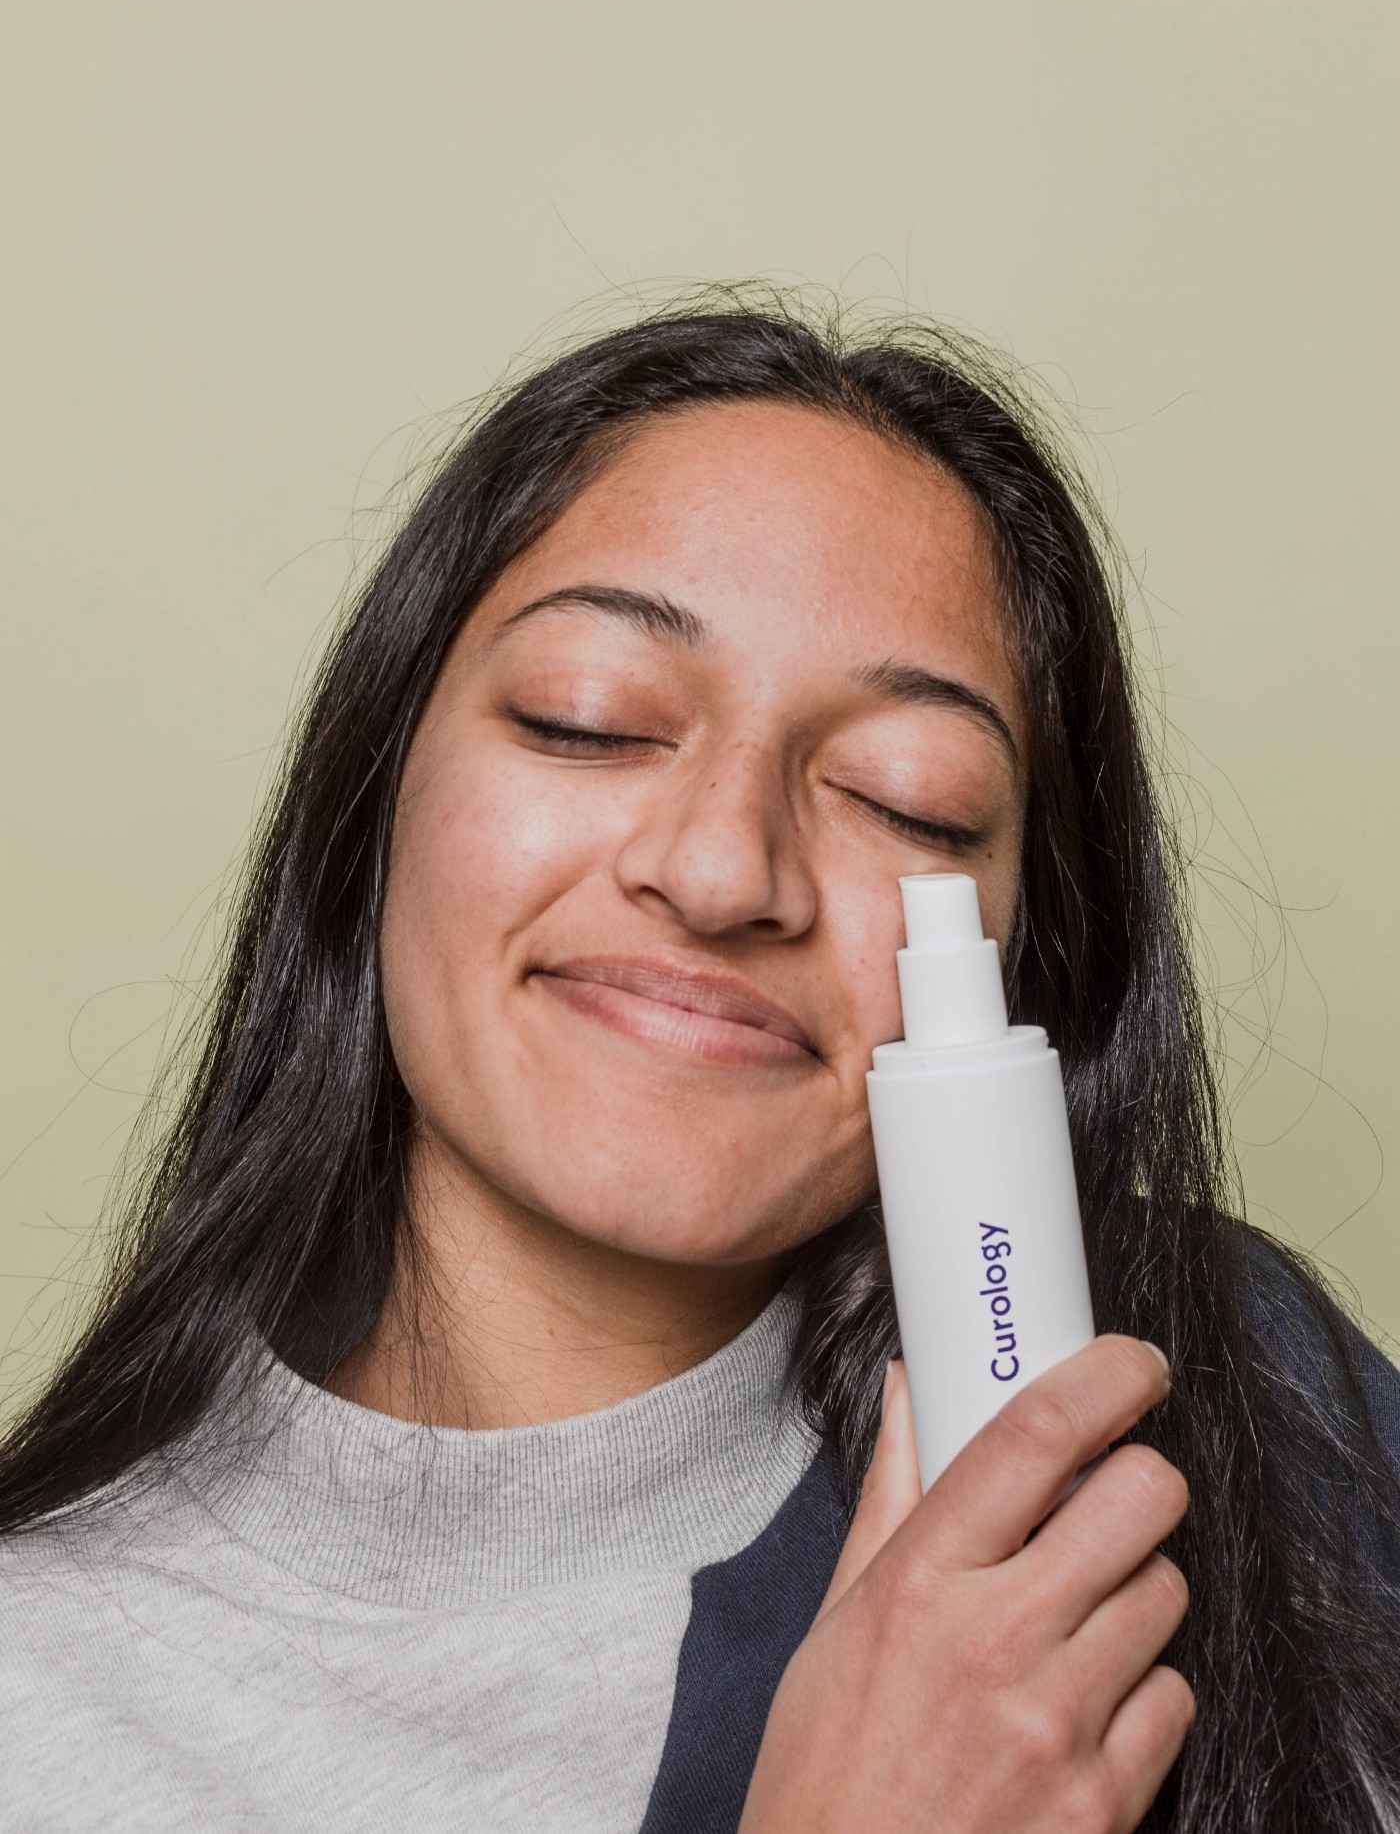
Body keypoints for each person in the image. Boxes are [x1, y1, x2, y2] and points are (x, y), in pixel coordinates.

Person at [1, 296, 1397, 1833]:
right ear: (376, 790)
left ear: (1019, 952)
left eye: (907, 799)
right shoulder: (39, 1691)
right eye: (587, 720)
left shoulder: (1235, 1407)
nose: (727, 869)